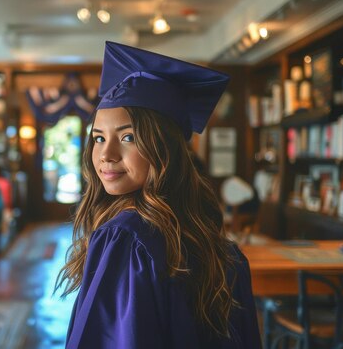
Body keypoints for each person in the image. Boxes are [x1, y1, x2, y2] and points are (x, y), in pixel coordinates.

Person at [56, 42, 261, 348]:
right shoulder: (220, 247)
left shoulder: (125, 238)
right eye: (98, 138)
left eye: (128, 137)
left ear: (164, 146)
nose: (106, 154)